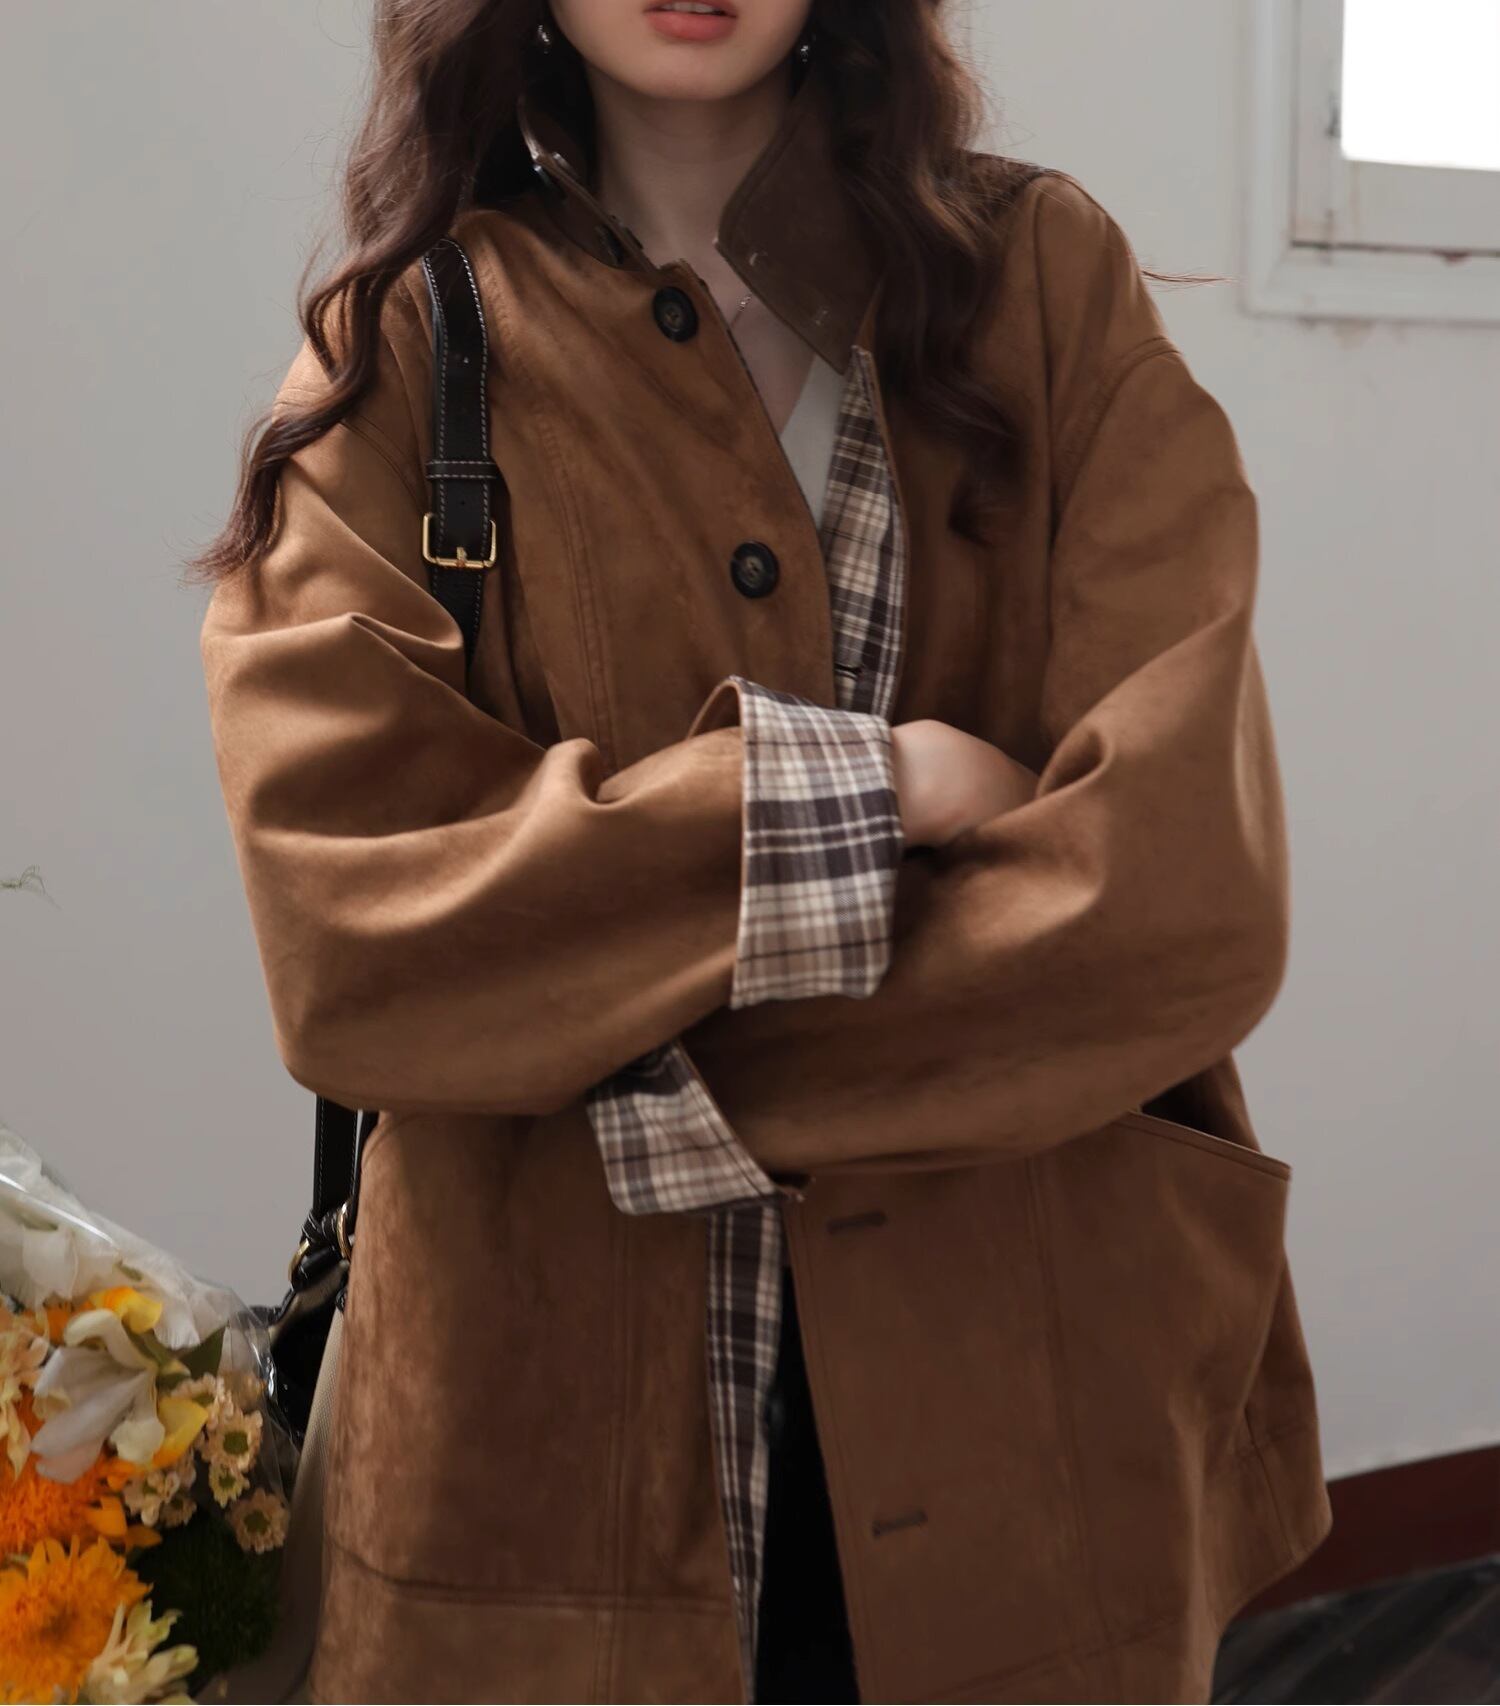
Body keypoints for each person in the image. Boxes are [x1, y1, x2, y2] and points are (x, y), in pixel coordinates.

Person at [191, 2, 1333, 1701]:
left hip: (1026, 1407)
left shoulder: (1042, 284)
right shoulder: (411, 344)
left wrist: (603, 1051)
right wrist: (875, 788)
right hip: (540, 1454)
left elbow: (1177, 898)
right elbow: (350, 942)